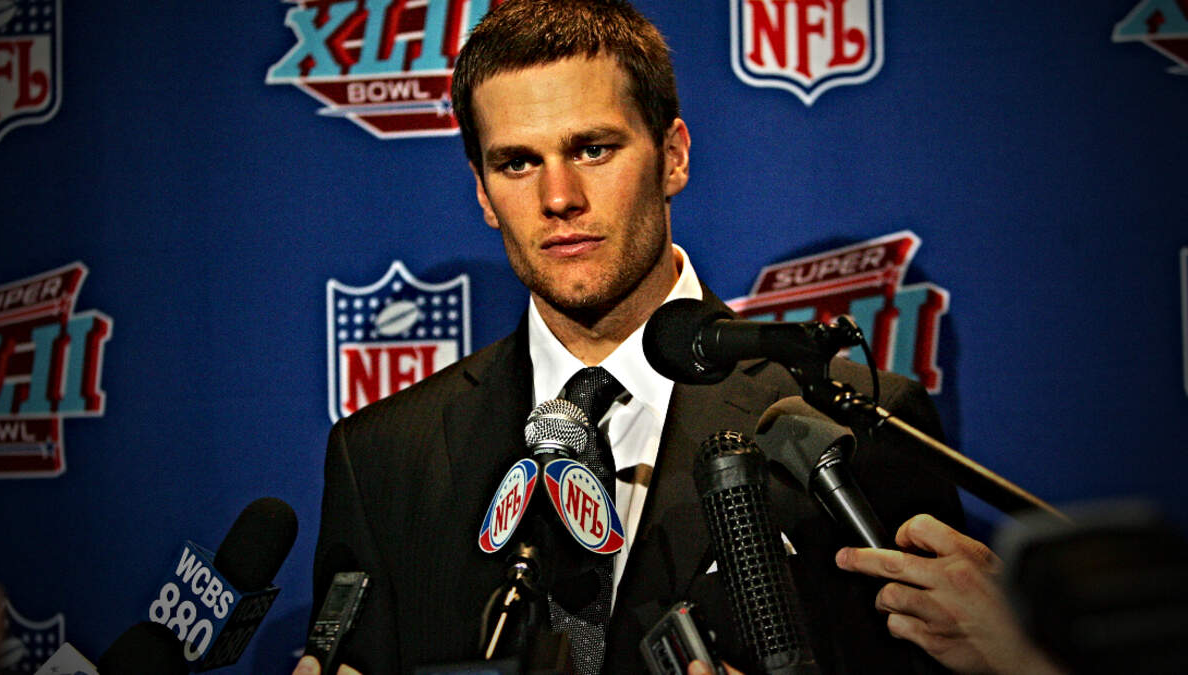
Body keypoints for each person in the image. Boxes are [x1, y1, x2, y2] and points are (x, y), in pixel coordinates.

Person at [292, 1, 1046, 673]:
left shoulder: (851, 430)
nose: (559, 197)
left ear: (673, 156)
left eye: (593, 148)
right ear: (484, 194)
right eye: (517, 162)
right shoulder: (383, 457)